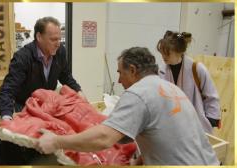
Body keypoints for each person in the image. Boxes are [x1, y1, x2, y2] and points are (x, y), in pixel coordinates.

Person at [34, 47, 220, 165]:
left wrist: (57, 141)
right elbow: (167, 136)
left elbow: (104, 138)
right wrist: (140, 160)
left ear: (132, 70)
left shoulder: (138, 92)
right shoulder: (171, 89)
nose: (119, 80)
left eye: (120, 73)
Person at [0, 16, 85, 165]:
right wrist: (6, 119)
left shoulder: (60, 52)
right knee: (16, 145)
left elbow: (66, 77)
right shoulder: (23, 57)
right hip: (23, 104)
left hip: (44, 105)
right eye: (53, 39)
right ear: (39, 37)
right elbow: (7, 90)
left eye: (59, 38)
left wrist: (80, 93)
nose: (58, 43)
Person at [157, 30, 221, 133]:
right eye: (162, 53)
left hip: (197, 126)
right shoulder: (161, 71)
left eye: (167, 53)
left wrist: (211, 120)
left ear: (179, 51)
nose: (164, 57)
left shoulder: (197, 68)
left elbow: (211, 96)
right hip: (172, 126)